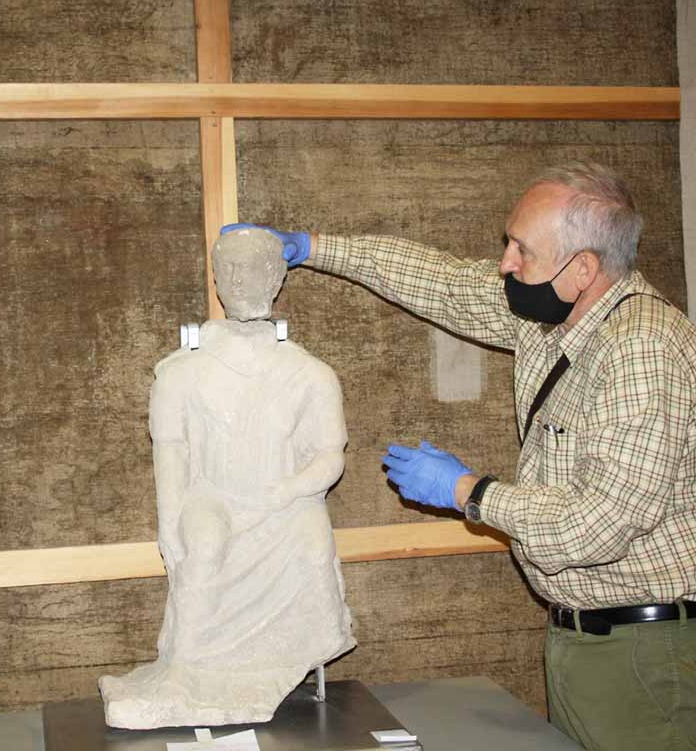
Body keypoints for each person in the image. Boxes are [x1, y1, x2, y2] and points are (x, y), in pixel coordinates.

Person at [229, 161, 696, 751]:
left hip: (644, 653)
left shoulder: (641, 352)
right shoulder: (552, 316)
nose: (505, 262)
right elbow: (440, 280)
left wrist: (468, 492)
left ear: (583, 269)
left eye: (521, 250)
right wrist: (311, 248)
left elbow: (594, 527)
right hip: (584, 640)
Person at [99, 226, 353, 729]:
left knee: (311, 540)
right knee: (205, 546)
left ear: (278, 276)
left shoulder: (311, 374)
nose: (240, 279)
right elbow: (171, 453)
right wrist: (170, 523)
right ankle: (184, 672)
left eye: (254, 266)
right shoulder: (182, 373)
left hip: (282, 502)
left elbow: (330, 457)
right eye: (229, 268)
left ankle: (273, 662)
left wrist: (286, 490)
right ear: (215, 278)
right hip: (213, 497)